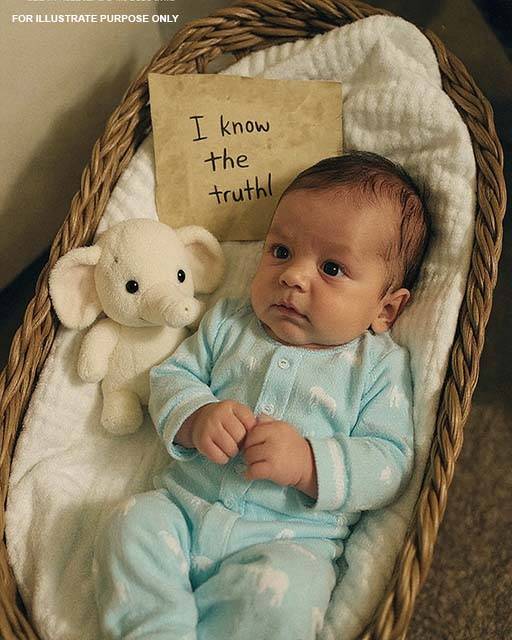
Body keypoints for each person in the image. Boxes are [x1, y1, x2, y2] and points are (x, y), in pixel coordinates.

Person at [93, 151, 430, 640]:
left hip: (286, 543)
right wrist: (197, 416)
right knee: (128, 523)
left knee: (291, 593)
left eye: (332, 267)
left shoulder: (377, 367)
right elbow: (171, 377)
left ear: (386, 309)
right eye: (281, 251)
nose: (293, 276)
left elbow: (390, 463)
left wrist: (308, 463)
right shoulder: (229, 323)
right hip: (184, 512)